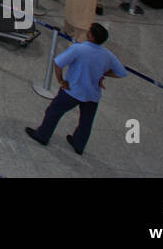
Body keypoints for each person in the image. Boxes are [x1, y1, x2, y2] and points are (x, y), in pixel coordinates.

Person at [25, 22, 126, 156]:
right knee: (86, 121)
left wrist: (61, 80)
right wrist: (103, 73)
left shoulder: (79, 49)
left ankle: (42, 135)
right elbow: (121, 72)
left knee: (53, 112)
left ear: (91, 36)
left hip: (73, 90)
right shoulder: (107, 55)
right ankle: (79, 144)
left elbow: (58, 63)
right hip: (92, 95)